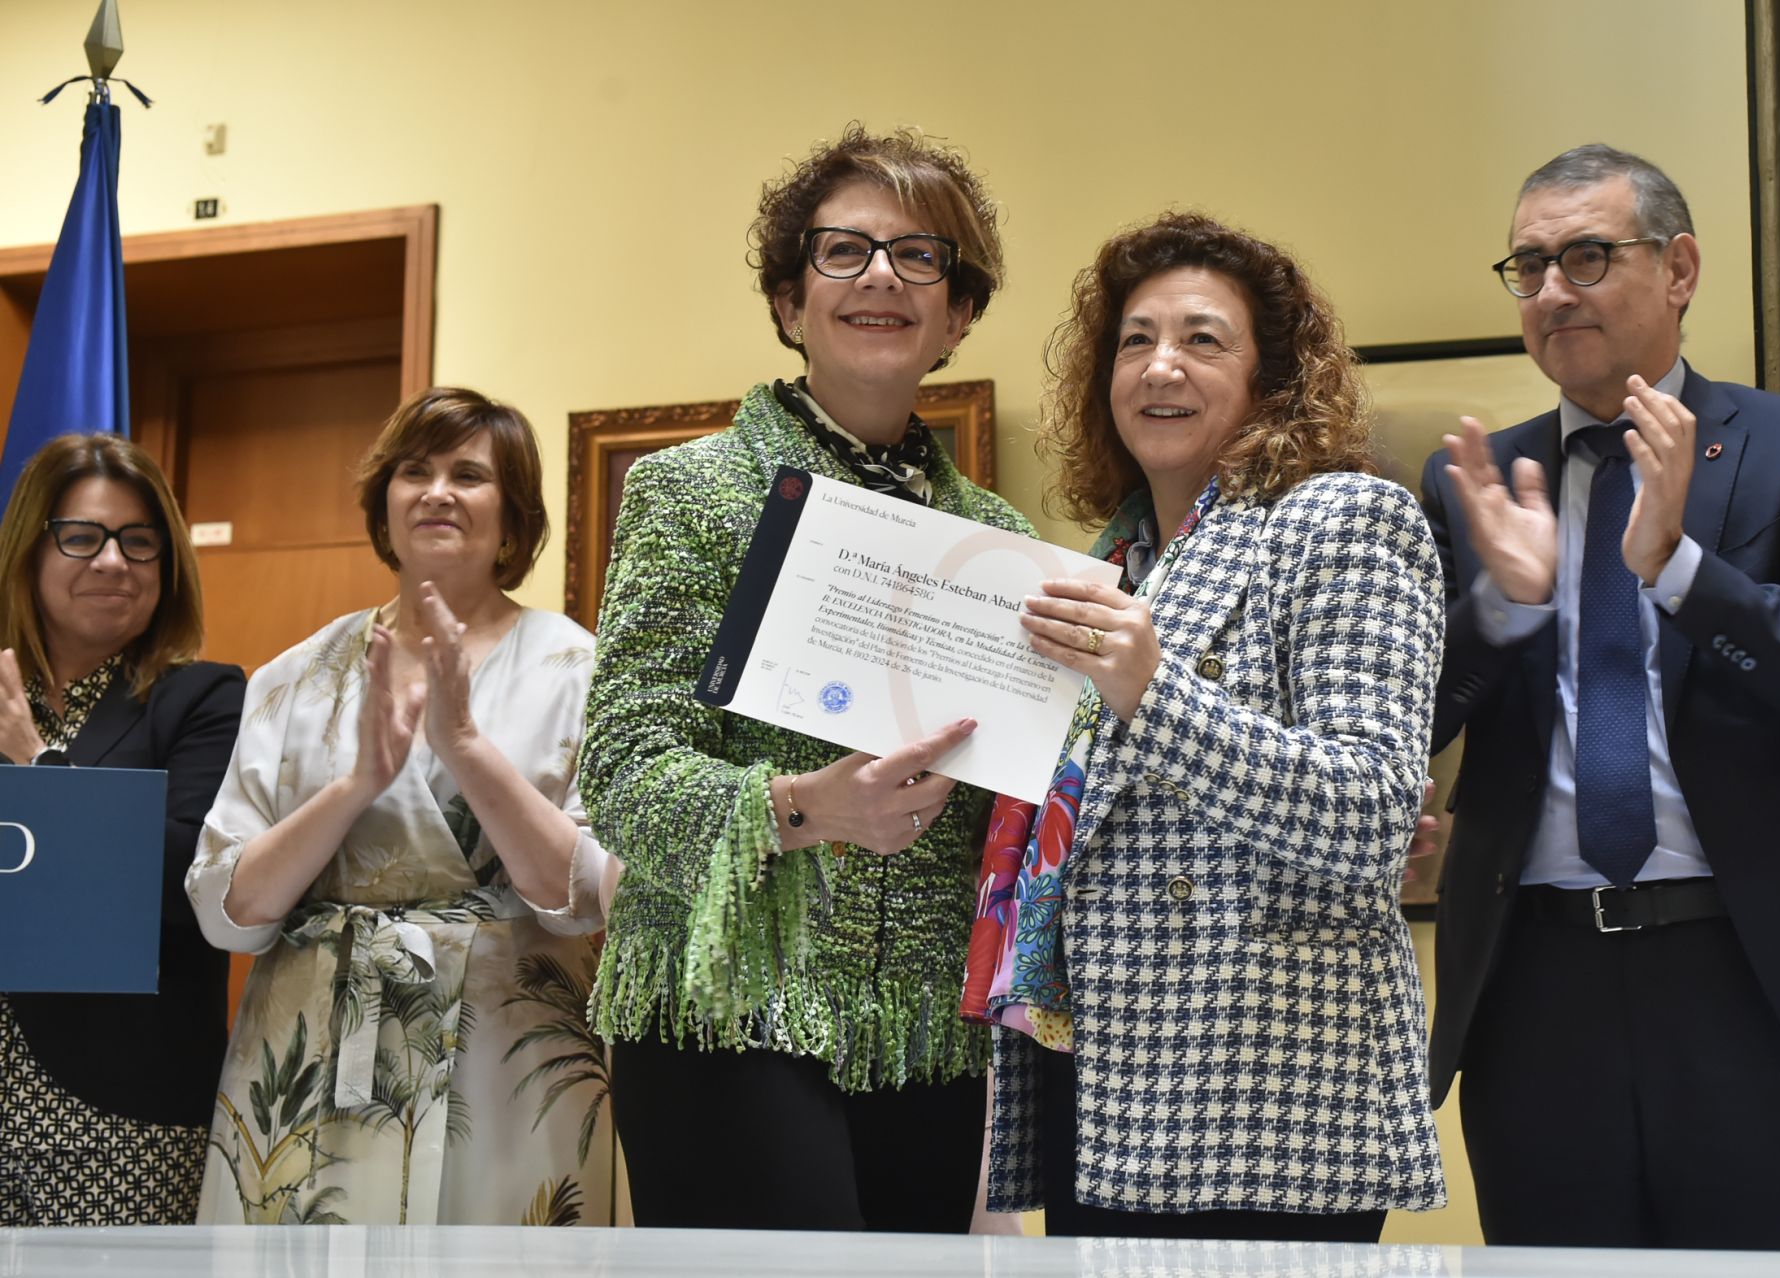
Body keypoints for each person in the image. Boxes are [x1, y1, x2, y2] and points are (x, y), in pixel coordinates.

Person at [1422, 144, 1780, 1250]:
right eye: (1531, 266)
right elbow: (1420, 720)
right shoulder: (1479, 486)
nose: (1553, 291)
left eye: (1589, 257)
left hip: (1757, 976)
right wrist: (1503, 606)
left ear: (1680, 267)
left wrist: (1683, 572)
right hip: (1536, 987)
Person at [582, 124, 1030, 1232]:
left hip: (925, 1038)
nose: (881, 274)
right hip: (724, 1012)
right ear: (790, 304)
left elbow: (1015, 810)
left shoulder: (1001, 544)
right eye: (844, 251)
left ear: (959, 313)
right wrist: (799, 809)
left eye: (920, 256)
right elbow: (623, 769)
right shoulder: (691, 492)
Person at [976, 212, 1446, 1240]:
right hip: (1090, 1064)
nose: (1160, 366)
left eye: (1202, 339)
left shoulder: (1346, 518)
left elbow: (1370, 817)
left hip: (1255, 1088)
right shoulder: (1110, 561)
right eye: (1135, 340)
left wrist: (1156, 692)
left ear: (1271, 380)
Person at [186, 388, 615, 1226]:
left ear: (515, 515)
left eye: (469, 474)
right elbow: (226, 912)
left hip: (506, 1055)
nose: (438, 491)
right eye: (414, 471)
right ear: (385, 501)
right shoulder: (293, 677)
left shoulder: (576, 668)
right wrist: (356, 784)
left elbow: (587, 900)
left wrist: (466, 748)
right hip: (308, 1054)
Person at [0, 434, 243, 1225]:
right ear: (30, 549)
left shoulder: (200, 701)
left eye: (140, 543)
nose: (113, 562)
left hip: (120, 1105)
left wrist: (40, 767)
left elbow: (185, 878)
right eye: (82, 536)